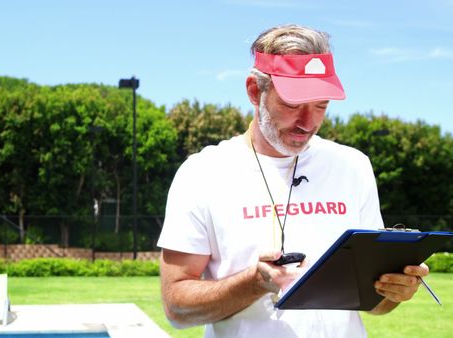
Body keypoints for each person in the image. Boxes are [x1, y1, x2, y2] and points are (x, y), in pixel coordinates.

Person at [157, 24, 429, 338]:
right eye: (292, 104)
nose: (308, 123)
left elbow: (374, 304)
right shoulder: (203, 173)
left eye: (321, 105)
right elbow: (176, 306)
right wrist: (254, 283)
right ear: (254, 91)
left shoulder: (353, 166)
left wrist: (394, 289)